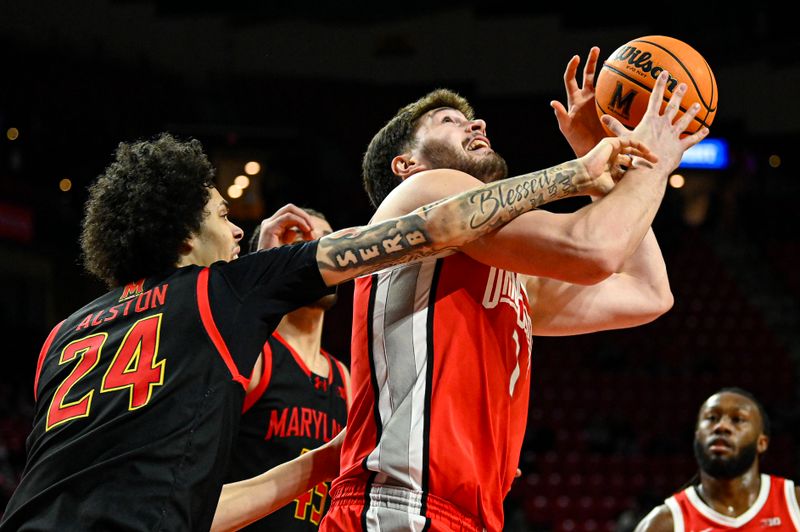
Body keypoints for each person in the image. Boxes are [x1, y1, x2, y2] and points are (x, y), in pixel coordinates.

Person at [0, 127, 632, 530]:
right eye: (224, 214)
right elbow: (437, 228)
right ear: (186, 232)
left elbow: (190, 508)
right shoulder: (224, 292)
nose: (240, 229)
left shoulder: (64, 334)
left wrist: (327, 460)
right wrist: (577, 174)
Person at [319, 60, 709, 531]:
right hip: (401, 502)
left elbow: (648, 293)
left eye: (470, 118)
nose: (476, 122)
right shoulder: (423, 191)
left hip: (468, 515)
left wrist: (596, 150)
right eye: (449, 121)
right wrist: (654, 159)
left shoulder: (504, 272)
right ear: (407, 164)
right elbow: (593, 249)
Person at [223, 209, 350, 531]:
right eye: (302, 244)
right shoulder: (252, 358)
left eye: (326, 242)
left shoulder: (346, 378)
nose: (320, 253)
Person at [634, 388, 800, 530]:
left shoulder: (795, 504)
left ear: (761, 443)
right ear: (697, 436)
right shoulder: (664, 524)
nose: (722, 426)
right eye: (712, 418)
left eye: (737, 419)